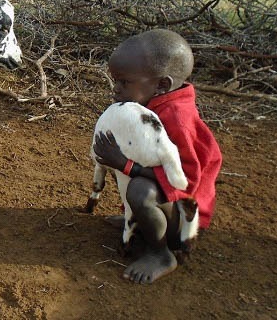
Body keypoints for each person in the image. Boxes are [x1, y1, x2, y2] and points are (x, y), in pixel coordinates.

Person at [93, 29, 222, 284]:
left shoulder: (177, 118)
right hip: (170, 202)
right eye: (115, 81)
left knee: (141, 191)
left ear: (162, 84)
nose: (115, 90)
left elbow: (183, 182)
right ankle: (141, 220)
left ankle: (161, 253)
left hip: (184, 220)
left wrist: (127, 165)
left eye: (124, 83)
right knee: (139, 185)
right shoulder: (152, 101)